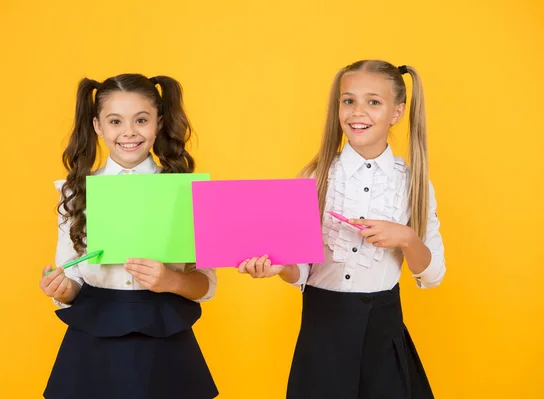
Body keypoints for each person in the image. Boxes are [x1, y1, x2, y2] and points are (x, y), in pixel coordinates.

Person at [239, 60, 445, 398]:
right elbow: (301, 272)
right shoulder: (314, 177)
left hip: (383, 333)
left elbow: (432, 274)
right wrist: (281, 267)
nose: (356, 112)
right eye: (348, 100)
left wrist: (406, 238)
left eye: (373, 102)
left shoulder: (412, 184)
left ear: (397, 112)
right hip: (322, 335)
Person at [39, 73, 218, 399]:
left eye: (141, 120)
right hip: (93, 341)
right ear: (98, 126)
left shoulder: (184, 191)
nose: (129, 132)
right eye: (115, 121)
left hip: (165, 338)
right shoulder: (76, 192)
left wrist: (170, 281)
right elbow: (73, 277)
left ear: (159, 123)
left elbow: (206, 282)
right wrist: (62, 289)